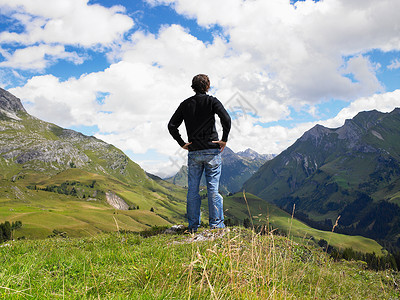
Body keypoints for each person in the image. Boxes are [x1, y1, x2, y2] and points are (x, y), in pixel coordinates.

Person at [168, 74, 231, 232]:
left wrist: (182, 143)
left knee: (193, 190)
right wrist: (224, 139)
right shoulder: (212, 101)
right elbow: (227, 119)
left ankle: (193, 226)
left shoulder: (185, 104)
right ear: (207, 86)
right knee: (213, 189)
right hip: (212, 150)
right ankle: (216, 225)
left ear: (193, 86)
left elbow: (171, 125)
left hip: (194, 152)